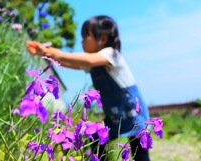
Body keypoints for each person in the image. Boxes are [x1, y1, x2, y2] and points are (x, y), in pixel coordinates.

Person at [26, 15, 150, 161]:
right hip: (114, 116)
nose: (82, 41)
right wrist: (47, 54)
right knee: (96, 137)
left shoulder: (112, 54)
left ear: (102, 39)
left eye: (86, 36)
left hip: (133, 113)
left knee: (139, 150)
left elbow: (87, 59)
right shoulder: (93, 64)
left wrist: (52, 53)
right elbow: (71, 62)